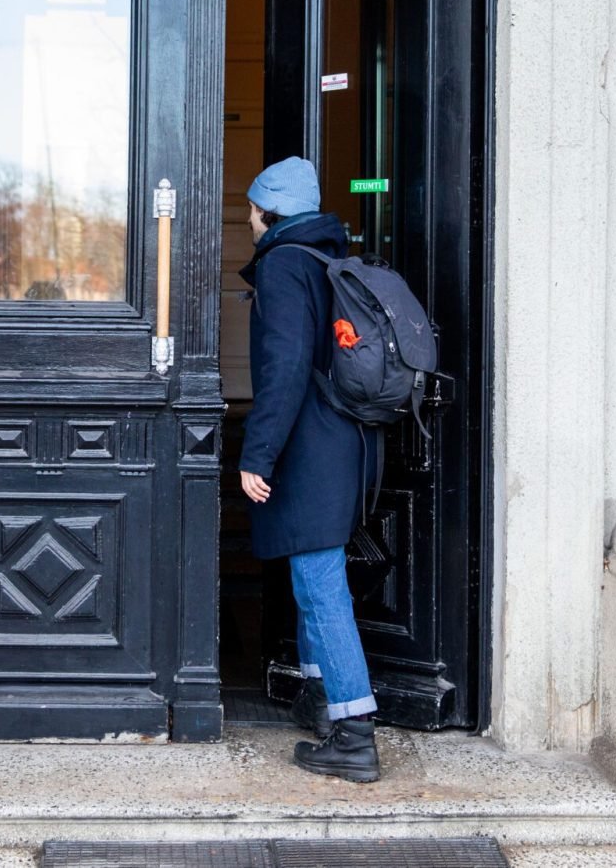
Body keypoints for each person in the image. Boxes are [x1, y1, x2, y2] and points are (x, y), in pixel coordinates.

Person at [238, 155, 380, 783]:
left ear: (271, 210)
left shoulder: (284, 265)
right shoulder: (328, 259)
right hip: (341, 442)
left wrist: (256, 452)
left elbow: (285, 368)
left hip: (308, 447)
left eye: (251, 206)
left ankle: (354, 735)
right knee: (310, 577)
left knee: (322, 587)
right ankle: (322, 703)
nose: (246, 217)